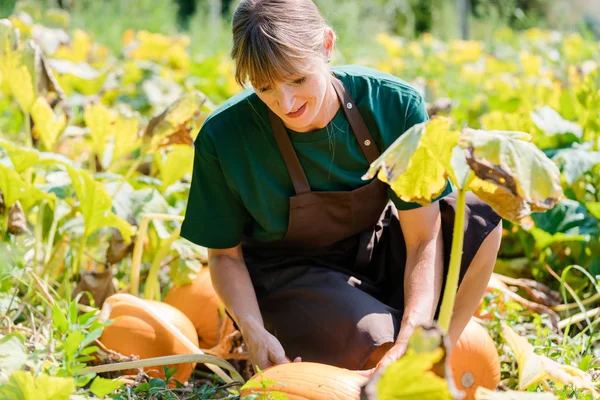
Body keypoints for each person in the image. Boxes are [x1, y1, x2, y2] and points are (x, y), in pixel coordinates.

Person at [180, 0, 503, 376]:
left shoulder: (393, 105)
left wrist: (415, 331)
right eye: (265, 87)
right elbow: (225, 257)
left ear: (327, 45)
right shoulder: (223, 137)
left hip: (374, 248)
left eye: (298, 79)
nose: (286, 103)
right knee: (373, 346)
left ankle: (429, 360)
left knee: (477, 219)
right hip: (290, 276)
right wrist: (252, 330)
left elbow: (423, 237)